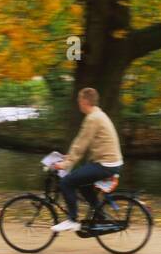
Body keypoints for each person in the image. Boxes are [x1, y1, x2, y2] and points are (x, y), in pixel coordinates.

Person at [50, 87, 123, 232]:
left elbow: (81, 144)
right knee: (83, 184)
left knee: (67, 182)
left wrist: (66, 164)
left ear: (84, 101)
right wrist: (69, 157)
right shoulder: (98, 114)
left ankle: (72, 220)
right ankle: (100, 215)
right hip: (110, 162)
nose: (78, 102)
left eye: (79, 99)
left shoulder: (93, 118)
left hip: (105, 164)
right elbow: (87, 144)